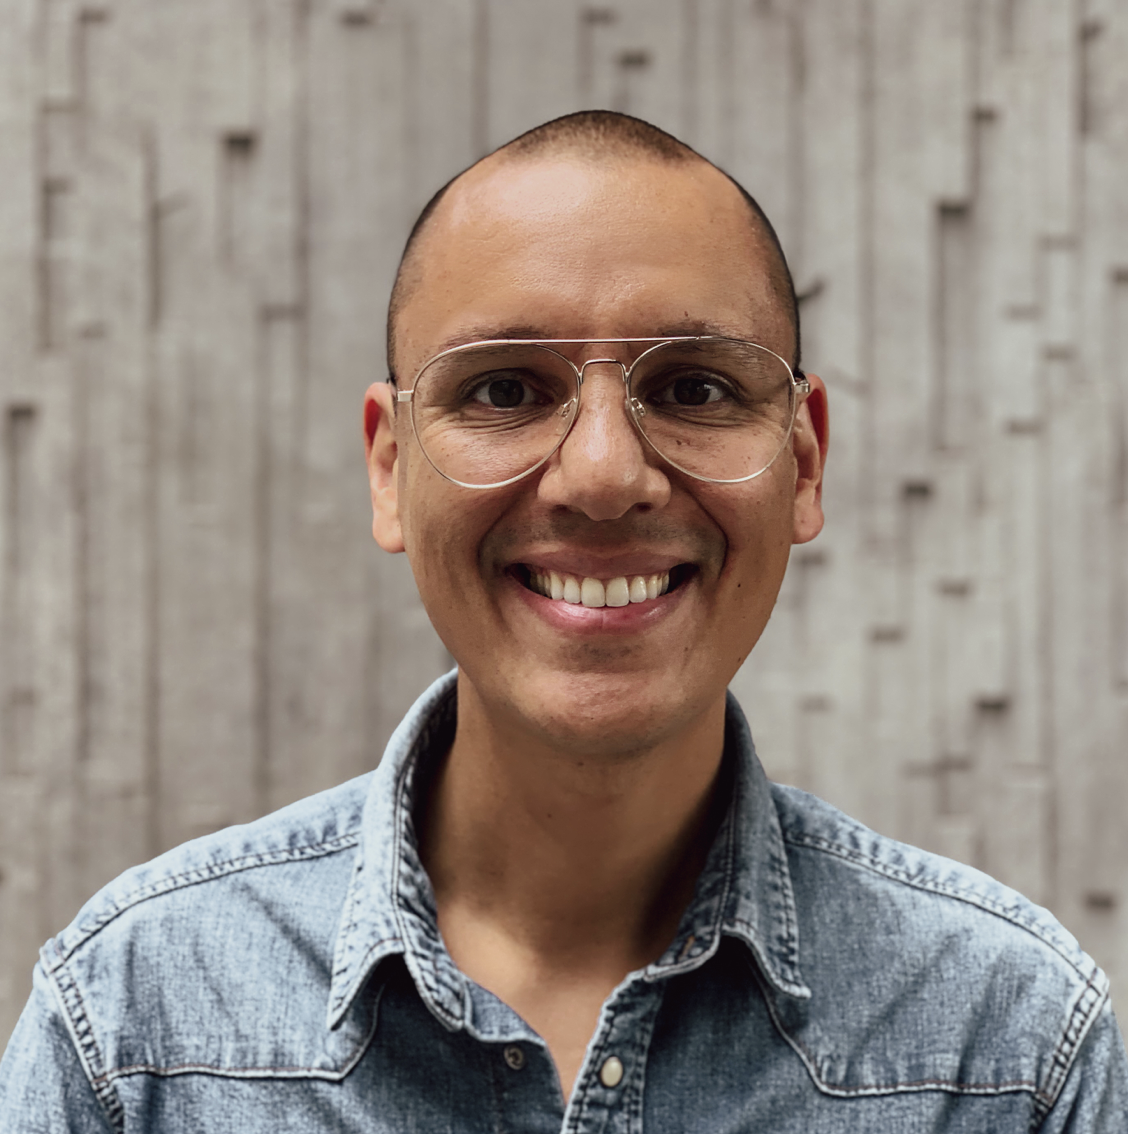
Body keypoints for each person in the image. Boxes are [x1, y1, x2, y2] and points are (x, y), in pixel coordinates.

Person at [1, 110, 1125, 1133]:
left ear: (804, 460)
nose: (602, 476)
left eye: (693, 388)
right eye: (505, 389)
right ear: (390, 469)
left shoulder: (1011, 1049)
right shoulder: (134, 1033)